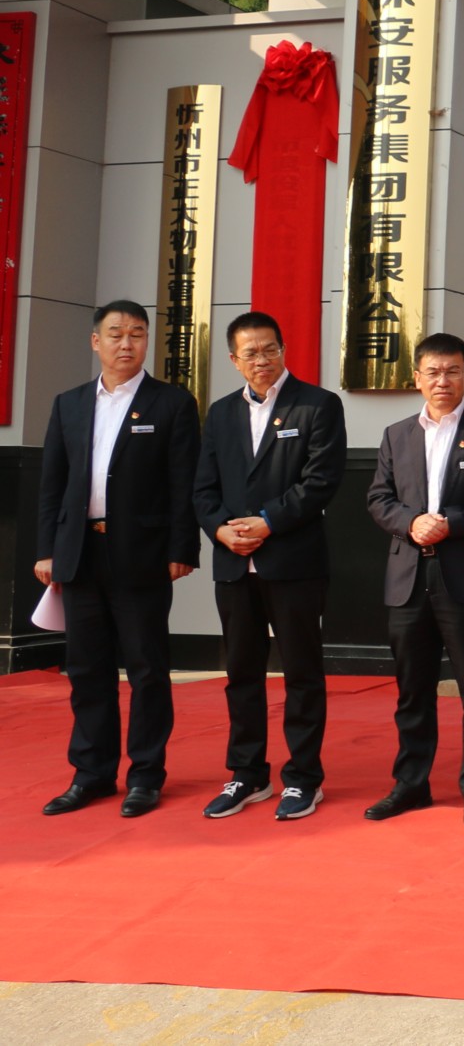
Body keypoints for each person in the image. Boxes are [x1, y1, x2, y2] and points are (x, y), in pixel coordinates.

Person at [36, 300, 203, 819]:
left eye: (136, 334)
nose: (126, 343)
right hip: (80, 553)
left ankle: (145, 776)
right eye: (115, 334)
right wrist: (46, 549)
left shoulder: (171, 403)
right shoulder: (69, 403)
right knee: (88, 669)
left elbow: (184, 482)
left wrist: (182, 548)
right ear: (96, 342)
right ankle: (91, 774)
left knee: (148, 670)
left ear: (147, 341)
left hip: (142, 555)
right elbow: (53, 483)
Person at [193, 311, 347, 822]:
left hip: (294, 562)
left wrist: (267, 522)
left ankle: (303, 778)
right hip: (233, 563)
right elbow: (203, 487)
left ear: (283, 350)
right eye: (251, 353)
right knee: (241, 672)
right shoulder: (220, 414)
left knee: (301, 672)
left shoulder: (318, 405)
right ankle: (248, 774)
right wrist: (220, 530)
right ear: (234, 360)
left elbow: (321, 481)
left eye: (270, 349)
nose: (262, 360)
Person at [362, 332, 464, 826]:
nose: (442, 380)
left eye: (452, 371)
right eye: (432, 372)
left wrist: (450, 521)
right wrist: (411, 522)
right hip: (408, 577)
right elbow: (379, 499)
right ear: (417, 378)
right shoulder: (396, 435)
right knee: (413, 691)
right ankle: (411, 785)